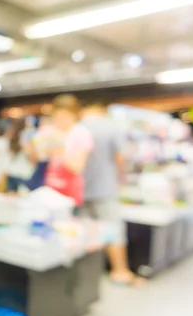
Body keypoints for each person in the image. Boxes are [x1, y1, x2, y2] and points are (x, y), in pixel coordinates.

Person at [80, 100, 145, 287]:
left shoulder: (79, 128)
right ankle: (120, 271)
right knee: (114, 230)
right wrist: (121, 179)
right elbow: (120, 157)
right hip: (105, 188)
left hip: (82, 189)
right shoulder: (111, 128)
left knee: (87, 230)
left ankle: (90, 270)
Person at [39, 94, 93, 206]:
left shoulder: (81, 133)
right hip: (49, 191)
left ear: (74, 115)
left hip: (70, 194)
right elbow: (37, 159)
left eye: (64, 117)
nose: (60, 121)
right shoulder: (49, 131)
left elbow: (77, 167)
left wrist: (59, 150)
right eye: (56, 117)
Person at [3, 118, 35, 193]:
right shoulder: (26, 136)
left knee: (11, 200)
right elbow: (30, 155)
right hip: (24, 174)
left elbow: (8, 156)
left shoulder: (12, 136)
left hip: (11, 172)